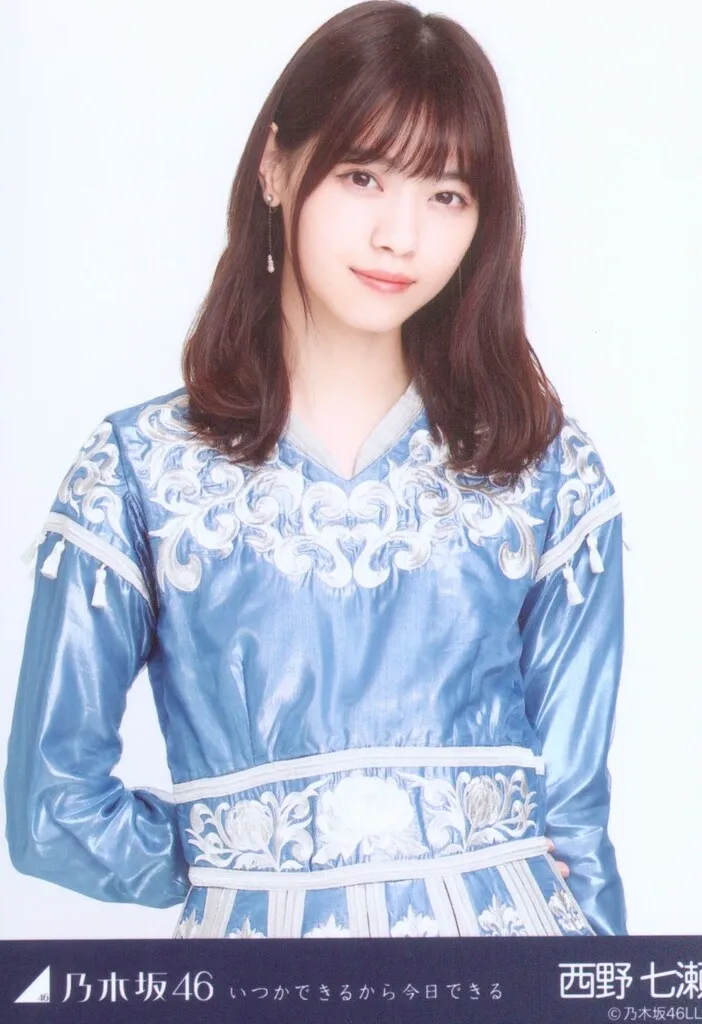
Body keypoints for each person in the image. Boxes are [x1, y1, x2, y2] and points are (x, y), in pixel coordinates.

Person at [5, 0, 626, 938]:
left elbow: (576, 830)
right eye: (363, 176)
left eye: (448, 194)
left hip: (507, 976)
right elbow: (52, 812)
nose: (401, 236)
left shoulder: (545, 472)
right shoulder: (139, 472)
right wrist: (247, 854)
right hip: (262, 986)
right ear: (276, 166)